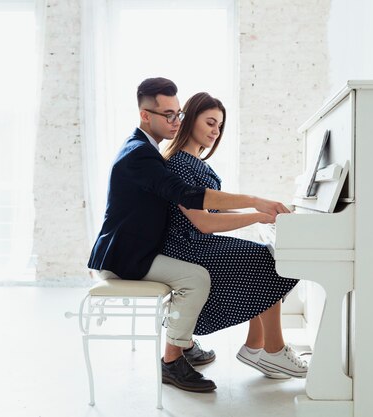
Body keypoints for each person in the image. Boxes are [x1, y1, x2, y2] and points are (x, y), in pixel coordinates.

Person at [87, 78, 291, 393]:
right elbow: (191, 199)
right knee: (197, 277)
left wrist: (257, 212)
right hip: (127, 256)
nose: (175, 121)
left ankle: (216, 344)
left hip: (141, 248)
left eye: (178, 113)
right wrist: (256, 204)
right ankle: (172, 361)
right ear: (145, 115)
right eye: (168, 114)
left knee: (250, 259)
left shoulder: (147, 150)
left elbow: (198, 207)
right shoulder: (141, 154)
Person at [160, 92, 308, 379]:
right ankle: (272, 351)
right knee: (266, 260)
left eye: (219, 126)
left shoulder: (196, 162)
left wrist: (263, 216)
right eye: (211, 123)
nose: (215, 132)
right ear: (190, 120)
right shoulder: (178, 162)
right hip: (185, 246)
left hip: (197, 240)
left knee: (264, 255)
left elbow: (212, 218)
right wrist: (257, 214)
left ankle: (257, 346)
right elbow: (203, 223)